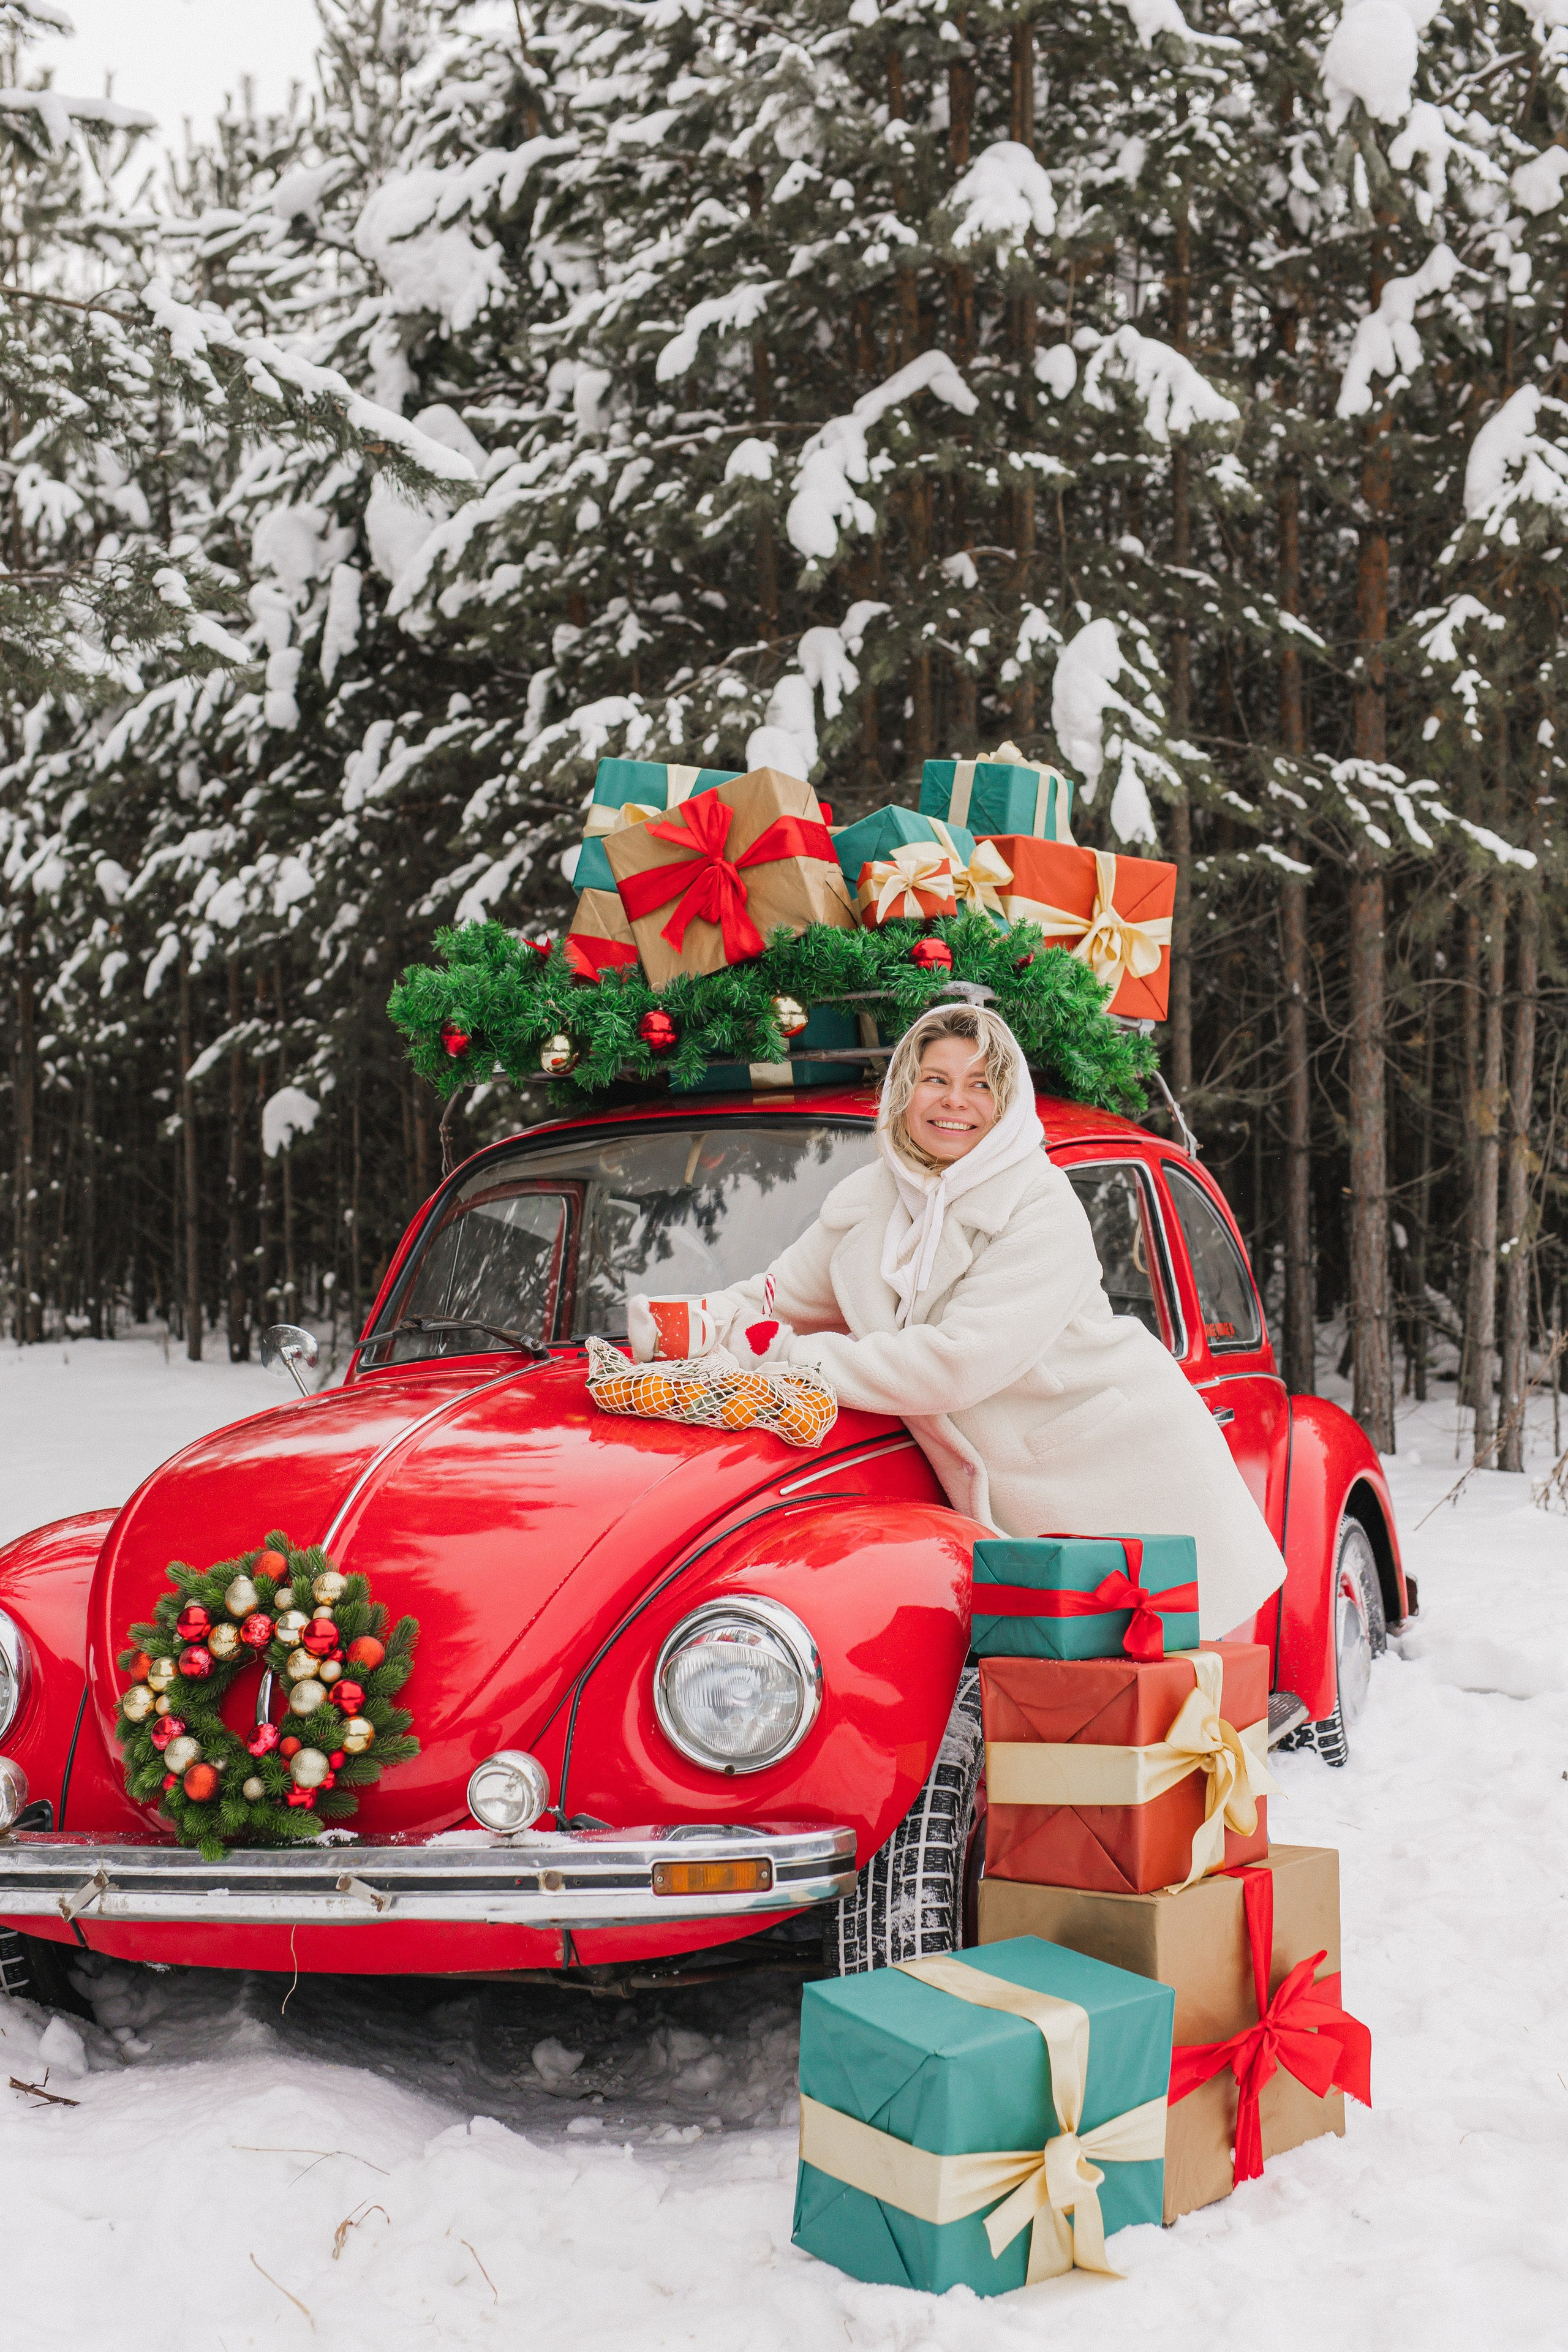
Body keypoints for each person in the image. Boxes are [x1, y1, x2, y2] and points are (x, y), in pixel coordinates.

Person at [630, 1001, 1287, 1636]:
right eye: (934, 1080)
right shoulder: (869, 1197)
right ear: (902, 1095)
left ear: (1005, 1104)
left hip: (1115, 1478)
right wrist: (694, 1322)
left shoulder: (1038, 1202)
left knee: (1154, 1727)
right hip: (1010, 1500)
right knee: (1058, 1718)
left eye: (979, 1084)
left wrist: (785, 1357)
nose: (954, 1100)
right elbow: (778, 1294)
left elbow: (959, 1361)